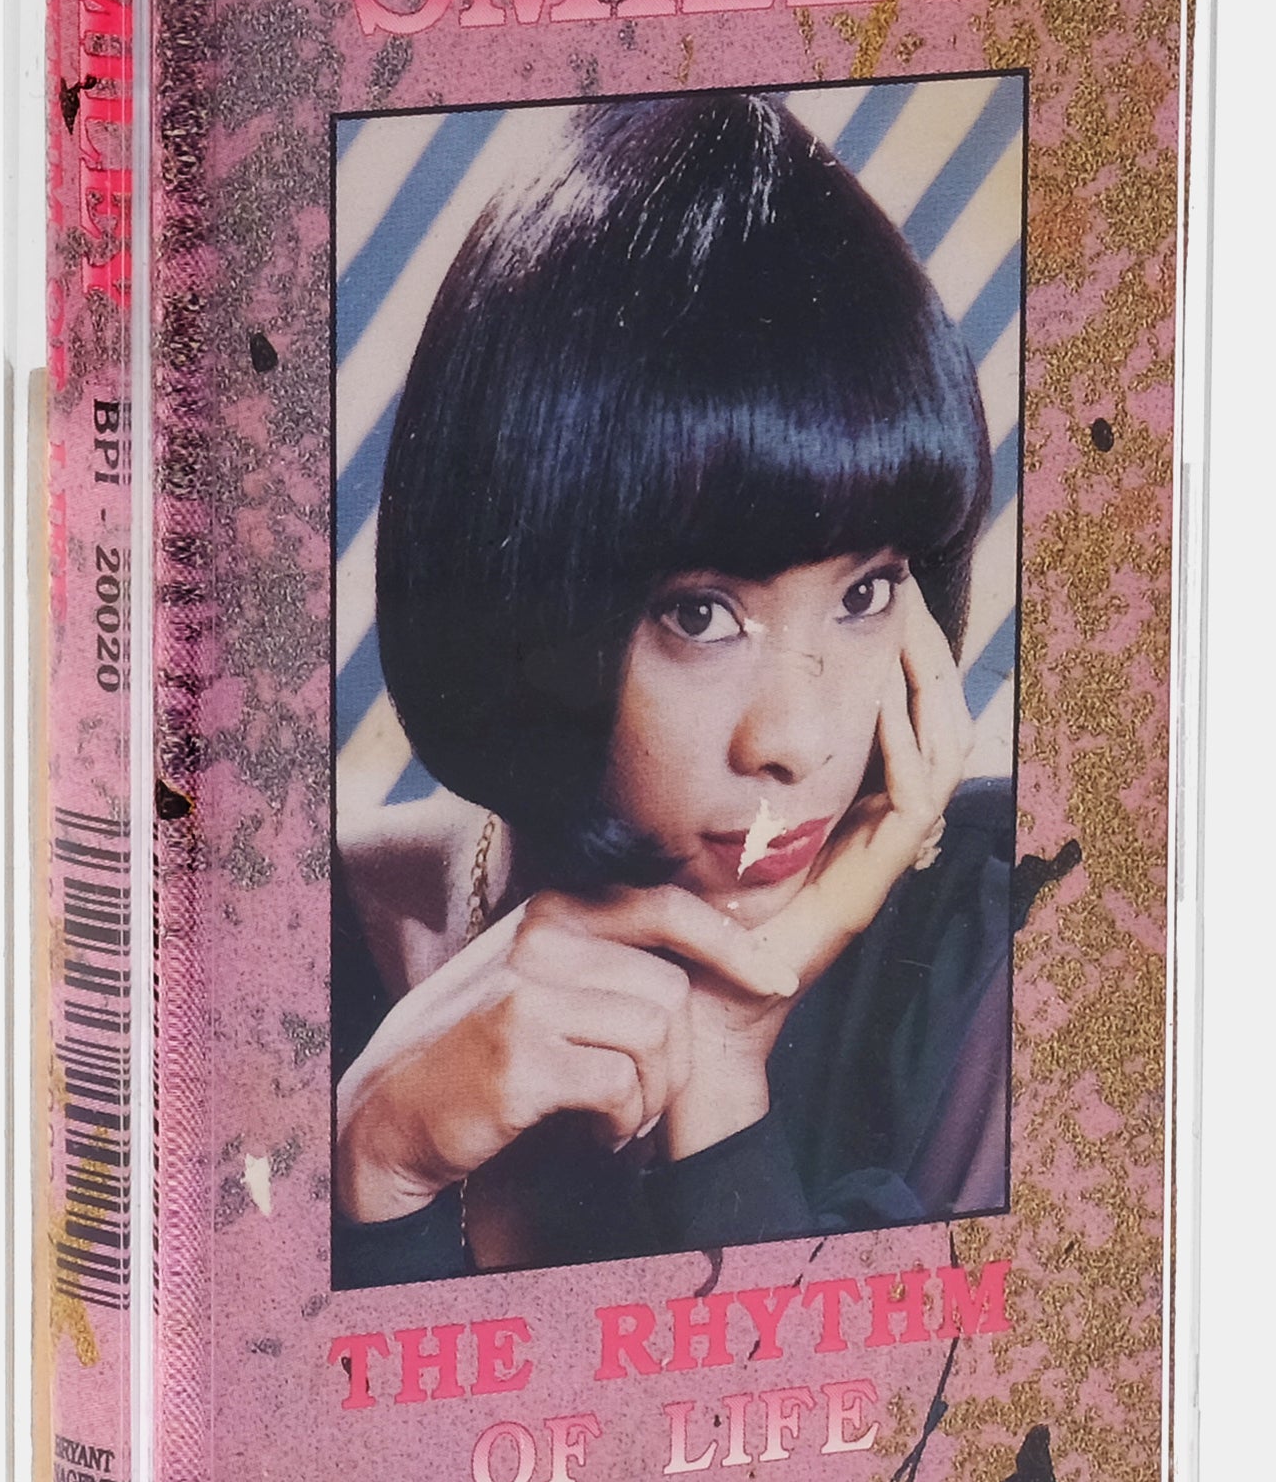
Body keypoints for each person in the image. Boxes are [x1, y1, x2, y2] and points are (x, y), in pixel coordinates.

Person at [334, 91, 1013, 1286]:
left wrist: (723, 1071)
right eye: (701, 614)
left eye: (863, 593)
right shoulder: (303, 926)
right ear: (523, 604)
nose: (798, 741)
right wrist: (375, 1167)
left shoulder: (1008, 928)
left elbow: (907, 1413)